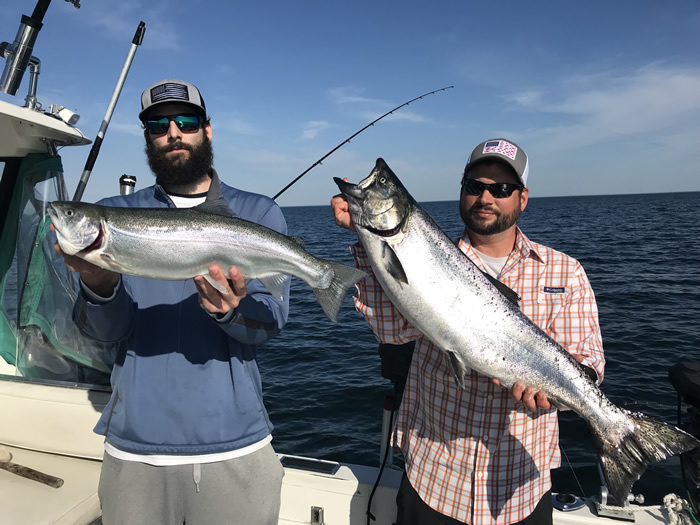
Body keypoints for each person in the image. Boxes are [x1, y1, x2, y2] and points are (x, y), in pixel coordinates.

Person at [331, 139, 605, 525]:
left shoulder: (565, 272)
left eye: (501, 189)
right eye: (475, 186)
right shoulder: (424, 253)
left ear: (523, 198)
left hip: (520, 487)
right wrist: (364, 230)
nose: (486, 197)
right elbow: (391, 330)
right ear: (462, 191)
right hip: (435, 478)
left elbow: (588, 358)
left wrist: (569, 392)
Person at [53, 79, 288, 525]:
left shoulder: (257, 213)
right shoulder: (114, 212)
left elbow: (271, 321)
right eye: (158, 124)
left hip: (235, 444)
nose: (173, 132)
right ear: (147, 138)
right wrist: (101, 285)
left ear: (208, 130)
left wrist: (232, 312)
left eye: (187, 121)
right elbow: (106, 335)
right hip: (135, 450)